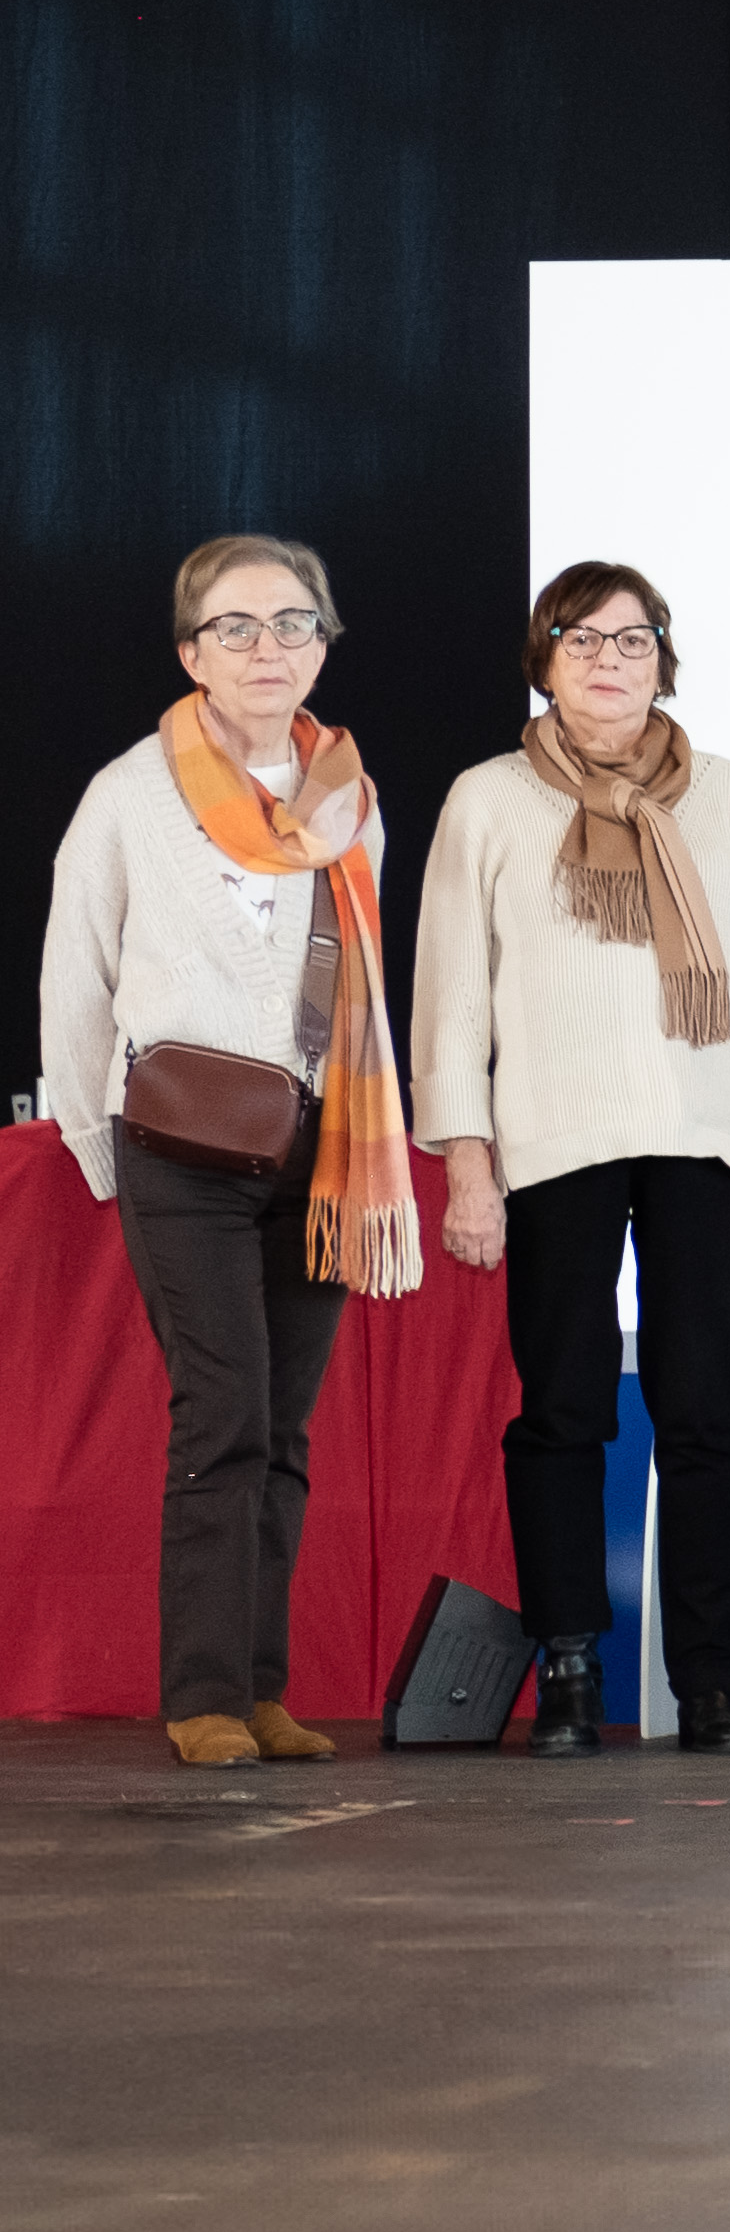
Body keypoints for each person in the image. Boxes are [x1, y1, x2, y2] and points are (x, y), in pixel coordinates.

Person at [409, 563, 730, 1756]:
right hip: (552, 1144)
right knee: (563, 1409)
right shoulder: (489, 798)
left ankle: (712, 1685)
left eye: (632, 639)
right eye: (581, 639)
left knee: (704, 1412)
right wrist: (467, 1161)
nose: (608, 659)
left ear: (663, 660)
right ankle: (572, 1666)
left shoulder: (724, 792)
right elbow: (451, 996)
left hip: (699, 1138)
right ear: (544, 661)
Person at [34, 535, 417, 1766]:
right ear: (192, 652)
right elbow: (75, 974)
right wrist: (98, 1143)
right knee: (226, 1413)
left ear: (324, 644)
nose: (268, 647)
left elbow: (356, 982)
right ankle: (200, 1693)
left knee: (285, 1428)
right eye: (237, 627)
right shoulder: (130, 793)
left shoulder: (348, 797)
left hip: (319, 1151)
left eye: (294, 623)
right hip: (180, 1145)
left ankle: (260, 1690)